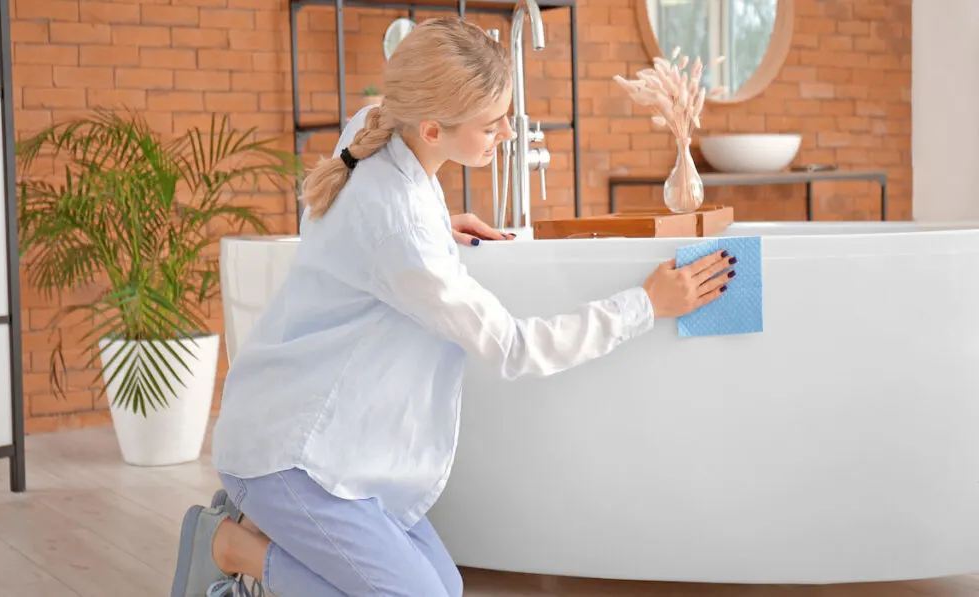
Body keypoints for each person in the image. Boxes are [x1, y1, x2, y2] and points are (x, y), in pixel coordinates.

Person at [170, 16, 735, 597]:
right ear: (434, 129)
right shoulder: (402, 231)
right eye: (492, 126)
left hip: (328, 439)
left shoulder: (377, 125)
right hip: (284, 455)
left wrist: (440, 228)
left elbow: (378, 233)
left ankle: (259, 538)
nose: (506, 136)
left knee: (447, 590)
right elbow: (515, 348)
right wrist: (645, 304)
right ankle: (232, 548)